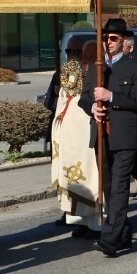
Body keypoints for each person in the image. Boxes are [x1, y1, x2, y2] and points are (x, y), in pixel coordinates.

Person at [78, 18, 137, 256]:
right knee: (108, 188)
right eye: (105, 38)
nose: (108, 42)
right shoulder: (96, 68)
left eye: (113, 38)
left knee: (119, 187)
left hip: (124, 136)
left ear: (124, 41)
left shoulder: (136, 68)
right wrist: (92, 108)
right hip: (101, 134)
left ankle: (110, 238)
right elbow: (83, 98)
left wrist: (111, 96)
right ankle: (124, 232)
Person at [50, 40, 102, 238]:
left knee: (90, 178)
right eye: (70, 51)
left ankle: (96, 224)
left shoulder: (99, 76)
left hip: (86, 138)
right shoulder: (68, 74)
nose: (81, 59)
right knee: (73, 180)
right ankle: (80, 221)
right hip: (69, 138)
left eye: (85, 55)